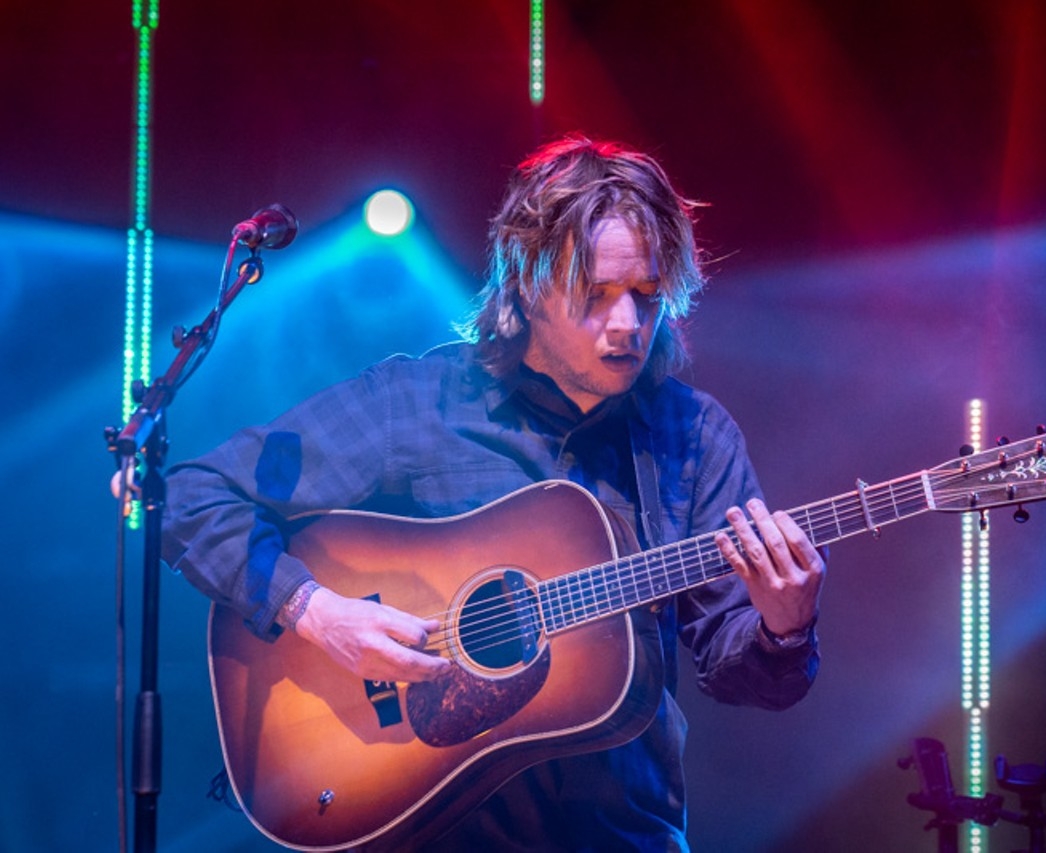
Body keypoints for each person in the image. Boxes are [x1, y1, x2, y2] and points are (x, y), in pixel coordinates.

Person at [162, 134, 826, 851]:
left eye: (647, 296)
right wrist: (315, 610)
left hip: (622, 832)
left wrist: (783, 627)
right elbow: (190, 497)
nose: (629, 325)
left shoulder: (693, 436)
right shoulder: (417, 403)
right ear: (527, 284)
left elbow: (746, 676)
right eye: (596, 295)